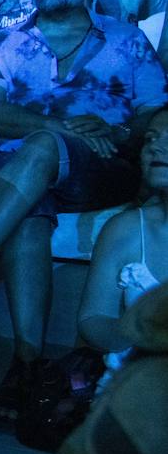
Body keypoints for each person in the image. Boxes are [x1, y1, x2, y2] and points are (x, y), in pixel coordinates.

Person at [0, 0, 168, 429]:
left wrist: (120, 135)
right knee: (29, 208)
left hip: (105, 167)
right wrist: (63, 127)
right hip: (23, 175)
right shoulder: (7, 45)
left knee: (36, 149)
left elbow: (152, 110)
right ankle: (25, 363)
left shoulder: (126, 40)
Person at [77, 106, 168, 392]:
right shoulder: (125, 229)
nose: (156, 146)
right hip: (132, 396)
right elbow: (93, 319)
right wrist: (141, 334)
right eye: (150, 138)